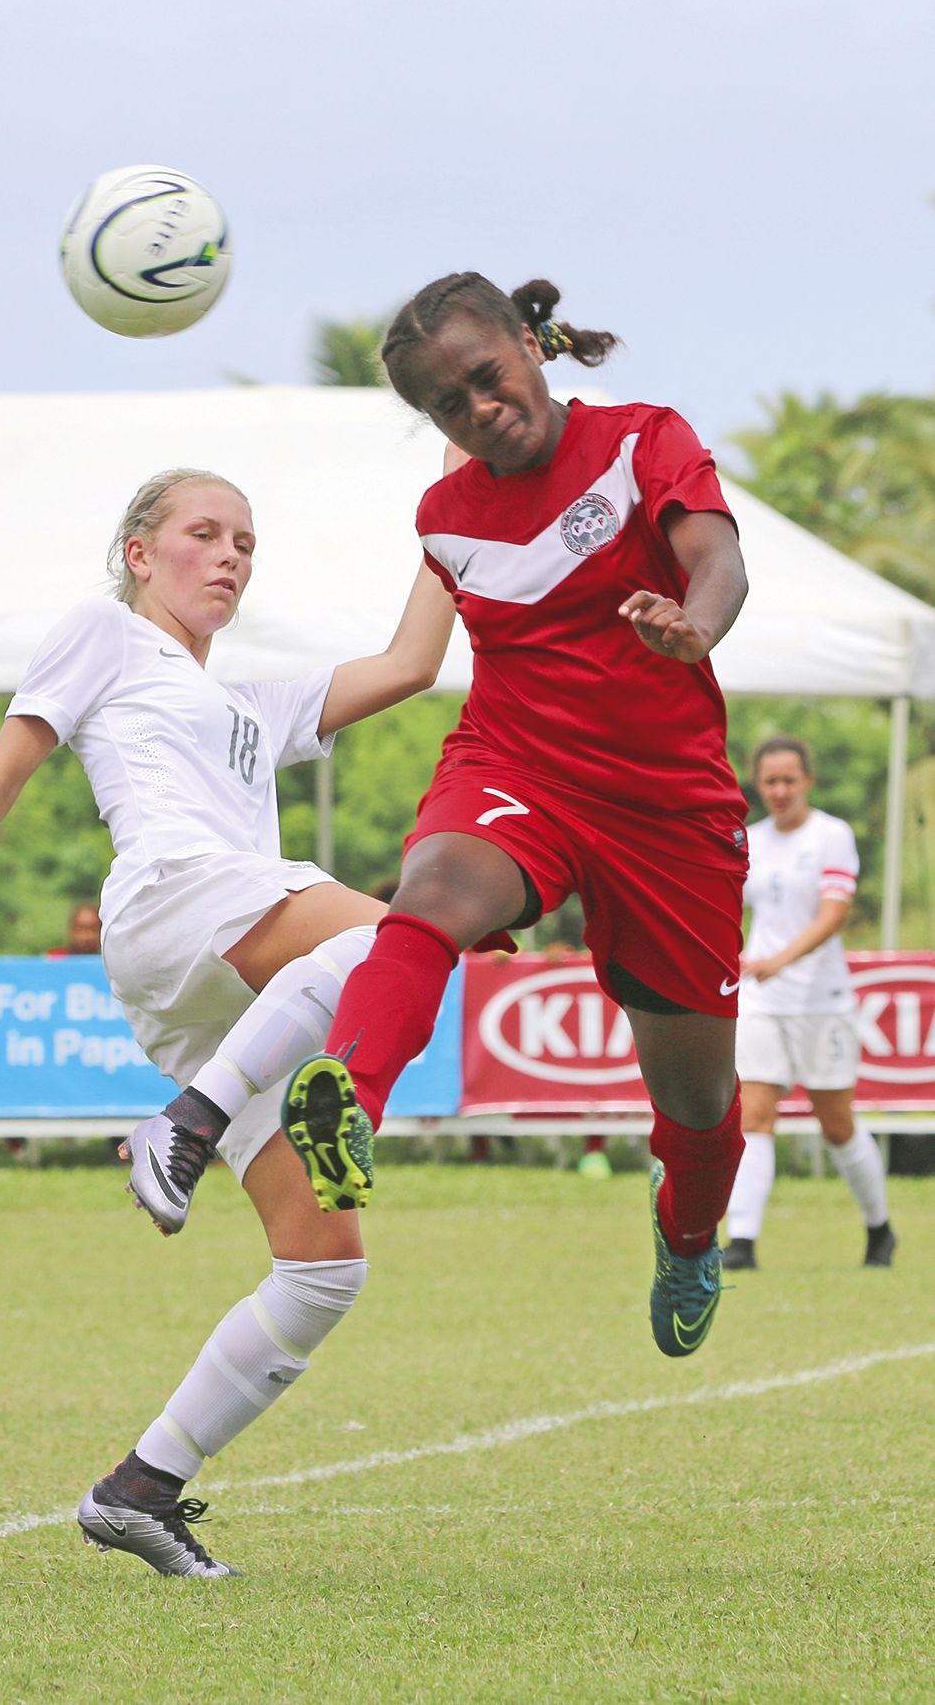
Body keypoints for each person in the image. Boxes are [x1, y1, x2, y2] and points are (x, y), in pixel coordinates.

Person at [0, 465, 458, 1578]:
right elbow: (0, 775)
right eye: (204, 532)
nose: (230, 553)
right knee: (403, 937)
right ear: (140, 551)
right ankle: (179, 1123)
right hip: (175, 901)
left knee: (323, 1268)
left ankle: (139, 1486)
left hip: (215, 987)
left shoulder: (252, 705)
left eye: (245, 539)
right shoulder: (103, 631)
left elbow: (412, 662)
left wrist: (462, 495)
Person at [281, 271, 752, 1361]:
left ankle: (685, 1231)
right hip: (518, 763)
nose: (478, 408)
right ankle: (346, 1100)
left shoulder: (643, 440)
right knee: (432, 894)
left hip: (668, 807)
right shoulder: (443, 521)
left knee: (696, 1105)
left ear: (529, 350)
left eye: (485, 377)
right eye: (448, 405)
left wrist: (693, 624)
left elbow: (716, 556)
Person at [723, 736, 896, 1269]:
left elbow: (834, 912)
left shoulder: (832, 835)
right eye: (770, 781)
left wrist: (782, 960)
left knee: (836, 1123)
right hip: (761, 999)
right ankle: (743, 1242)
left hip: (822, 998)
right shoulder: (749, 839)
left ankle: (879, 1228)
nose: (779, 791)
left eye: (788, 781)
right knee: (753, 1113)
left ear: (807, 781)